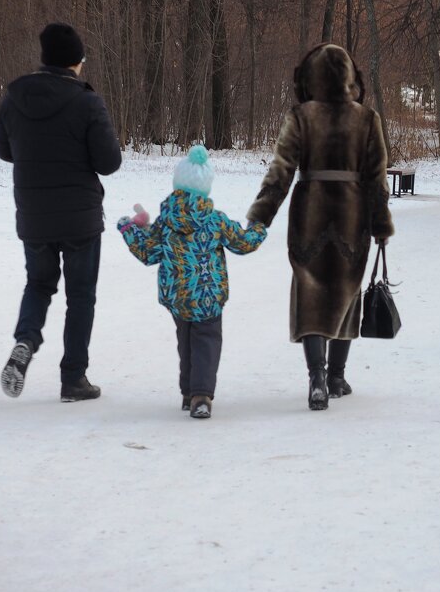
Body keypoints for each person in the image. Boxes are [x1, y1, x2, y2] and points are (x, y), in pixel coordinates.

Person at [247, 43, 394, 411]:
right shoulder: (367, 118)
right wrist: (380, 224)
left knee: (310, 289)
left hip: (309, 209)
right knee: (347, 289)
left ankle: (316, 377)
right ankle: (337, 376)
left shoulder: (301, 116)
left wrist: (260, 216)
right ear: (349, 77)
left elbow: (280, 171)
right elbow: (376, 180)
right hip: (352, 211)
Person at [0, 22, 122, 401]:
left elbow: (5, 150)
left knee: (38, 284)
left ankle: (26, 341)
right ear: (76, 63)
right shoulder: (86, 101)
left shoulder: (15, 97)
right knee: (80, 296)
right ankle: (73, 379)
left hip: (33, 215)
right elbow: (109, 162)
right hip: (80, 217)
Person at [116, 146, 267, 419]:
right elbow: (243, 243)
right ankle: (201, 395)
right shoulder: (214, 221)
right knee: (206, 341)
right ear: (205, 189)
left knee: (185, 341)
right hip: (209, 295)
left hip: (178, 297)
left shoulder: (166, 222)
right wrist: (258, 226)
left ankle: (188, 392)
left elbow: (148, 252)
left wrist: (130, 229)